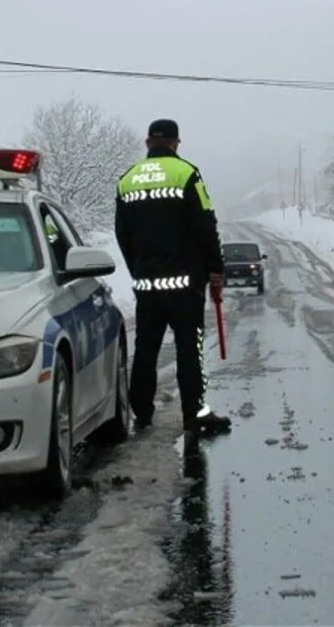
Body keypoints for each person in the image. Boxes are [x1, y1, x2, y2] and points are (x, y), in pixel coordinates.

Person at [115, 118, 232, 438]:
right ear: (176, 143)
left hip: (147, 285)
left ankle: (141, 412)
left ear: (147, 143)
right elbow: (206, 224)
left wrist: (138, 268)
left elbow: (122, 234)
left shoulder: (127, 180)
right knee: (189, 350)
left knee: (146, 350)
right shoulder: (187, 174)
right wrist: (215, 268)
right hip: (184, 285)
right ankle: (194, 414)